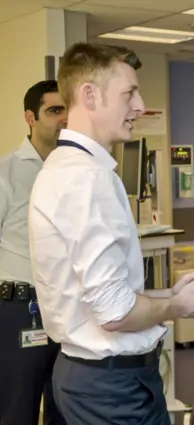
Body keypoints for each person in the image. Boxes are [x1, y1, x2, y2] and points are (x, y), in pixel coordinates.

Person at [27, 42, 194, 425]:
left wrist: (171, 294)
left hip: (100, 380)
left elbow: (103, 294)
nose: (140, 105)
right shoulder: (86, 178)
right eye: (129, 93)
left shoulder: (70, 168)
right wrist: (177, 307)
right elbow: (115, 312)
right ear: (89, 95)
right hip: (110, 387)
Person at [0, 80, 67, 425]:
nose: (63, 118)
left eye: (66, 109)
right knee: (17, 410)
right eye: (54, 110)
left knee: (66, 408)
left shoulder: (75, 173)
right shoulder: (6, 173)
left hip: (68, 308)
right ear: (31, 117)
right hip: (20, 309)